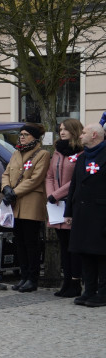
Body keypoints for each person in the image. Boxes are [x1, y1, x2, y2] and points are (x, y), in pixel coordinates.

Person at [1, 123, 49, 293]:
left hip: (30, 202)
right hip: (14, 204)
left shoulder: (42, 154)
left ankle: (32, 278)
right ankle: (23, 276)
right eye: (20, 134)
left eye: (25, 134)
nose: (21, 136)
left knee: (31, 242)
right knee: (19, 242)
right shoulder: (16, 153)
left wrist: (13, 192)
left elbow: (35, 179)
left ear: (34, 137)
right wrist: (6, 188)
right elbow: (6, 173)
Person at [64, 123, 106, 307]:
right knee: (85, 253)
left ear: (95, 135)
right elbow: (74, 185)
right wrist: (69, 211)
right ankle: (88, 290)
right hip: (82, 213)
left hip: (101, 213)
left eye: (84, 133)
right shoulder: (82, 158)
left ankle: (103, 293)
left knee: (102, 256)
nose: (80, 136)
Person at [46, 118, 83, 298]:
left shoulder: (81, 152)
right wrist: (50, 195)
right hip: (57, 205)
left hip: (72, 204)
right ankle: (66, 282)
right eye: (60, 129)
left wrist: (57, 194)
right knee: (63, 246)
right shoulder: (57, 151)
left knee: (73, 247)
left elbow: (76, 180)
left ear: (74, 131)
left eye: (66, 130)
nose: (62, 132)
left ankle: (76, 283)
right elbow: (50, 176)